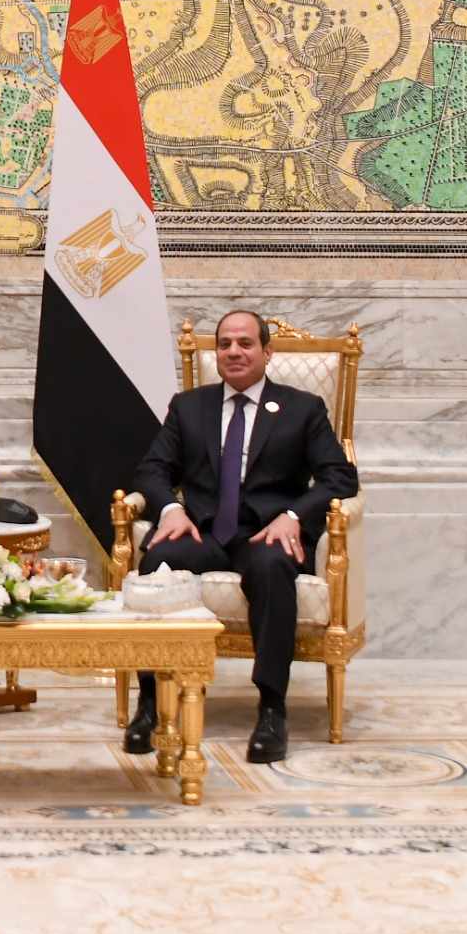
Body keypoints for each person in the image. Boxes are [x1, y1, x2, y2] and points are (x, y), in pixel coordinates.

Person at [127, 309, 358, 763]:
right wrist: (171, 509)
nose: (234, 351)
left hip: (265, 535)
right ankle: (151, 703)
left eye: (245, 343)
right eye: (225, 344)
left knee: (272, 569)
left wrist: (294, 515)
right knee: (157, 561)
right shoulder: (188, 407)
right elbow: (151, 470)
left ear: (267, 353)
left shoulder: (302, 408)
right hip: (203, 531)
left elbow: (340, 477)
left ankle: (271, 709)